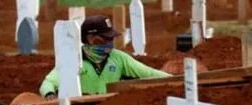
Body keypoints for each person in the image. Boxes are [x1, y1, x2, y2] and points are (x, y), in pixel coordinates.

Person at [40, 15, 171, 99]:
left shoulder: (119, 58)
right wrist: (49, 94)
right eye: (105, 38)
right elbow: (49, 82)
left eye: (111, 38)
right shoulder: (72, 60)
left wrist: (176, 80)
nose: (109, 42)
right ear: (90, 39)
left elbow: (149, 73)